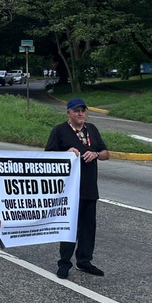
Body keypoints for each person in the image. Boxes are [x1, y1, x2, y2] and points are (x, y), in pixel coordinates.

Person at [46, 97, 109, 279]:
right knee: (69, 226)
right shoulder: (60, 131)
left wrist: (95, 153)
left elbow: (106, 153)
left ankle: (84, 260)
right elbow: (47, 156)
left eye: (83, 110)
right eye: (76, 111)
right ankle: (64, 262)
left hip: (89, 187)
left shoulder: (92, 130)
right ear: (69, 113)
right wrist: (64, 154)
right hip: (69, 189)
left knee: (88, 227)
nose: (80, 113)